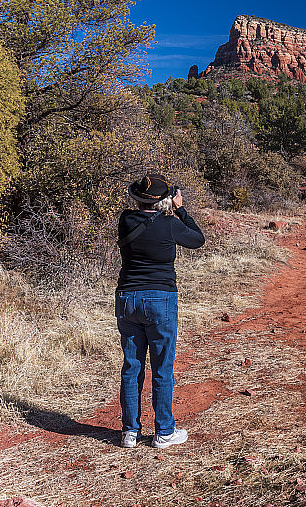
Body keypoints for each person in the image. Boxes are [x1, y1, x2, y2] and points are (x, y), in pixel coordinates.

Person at [115, 174, 205, 449]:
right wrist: (179, 208)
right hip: (161, 298)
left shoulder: (125, 220)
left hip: (128, 297)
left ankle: (131, 432)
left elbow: (142, 217)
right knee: (162, 368)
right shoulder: (169, 225)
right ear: (165, 199)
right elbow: (198, 239)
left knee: (132, 366)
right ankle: (164, 430)